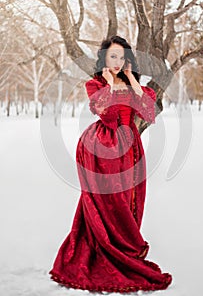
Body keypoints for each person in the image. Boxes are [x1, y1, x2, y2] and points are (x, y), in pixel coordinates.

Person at [49, 35, 172, 293]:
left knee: (128, 200)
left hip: (130, 149)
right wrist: (107, 85)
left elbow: (149, 113)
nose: (117, 61)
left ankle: (124, 247)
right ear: (104, 59)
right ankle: (104, 247)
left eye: (121, 57)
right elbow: (110, 116)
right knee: (106, 200)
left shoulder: (134, 84)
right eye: (112, 56)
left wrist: (135, 87)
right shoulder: (94, 85)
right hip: (101, 148)